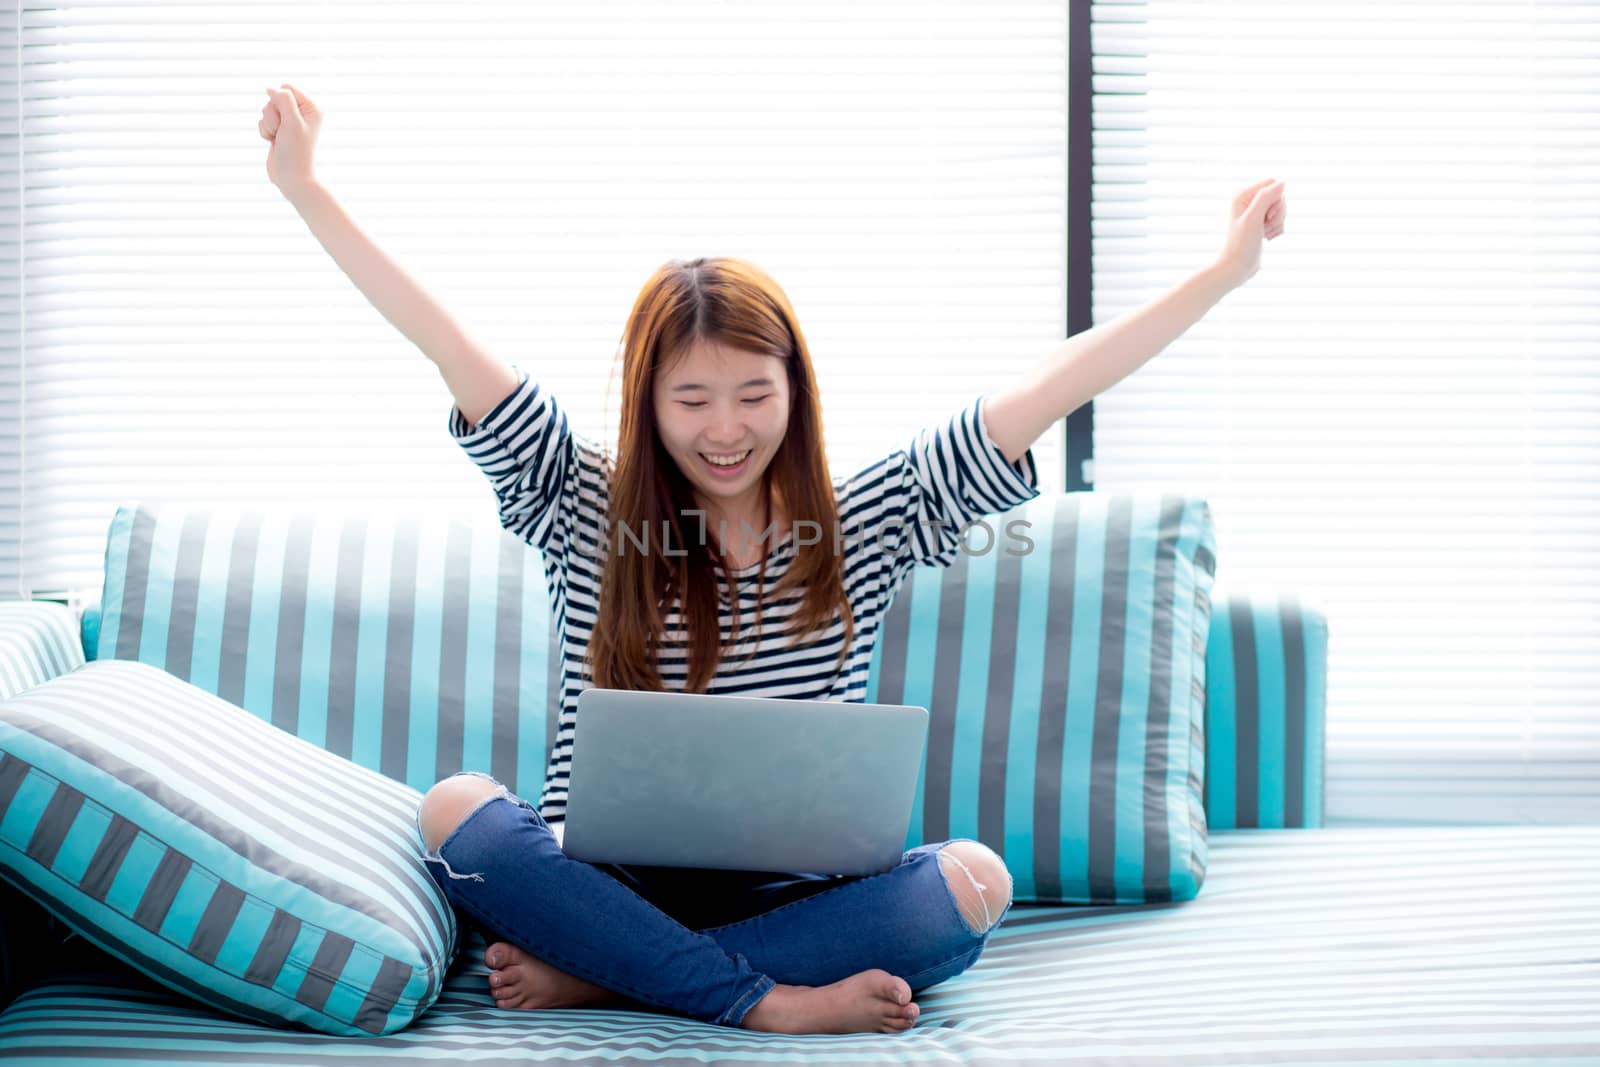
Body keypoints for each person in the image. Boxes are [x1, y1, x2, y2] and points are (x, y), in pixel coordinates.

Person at [259, 82, 1287, 1035]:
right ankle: (760, 1000)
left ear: (795, 390)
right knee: (454, 807)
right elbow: (444, 338)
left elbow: (1048, 388)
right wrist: (308, 191)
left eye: (754, 393)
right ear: (646, 403)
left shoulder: (865, 513)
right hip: (606, 879)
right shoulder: (578, 498)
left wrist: (1219, 274)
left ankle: (618, 973)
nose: (725, 430)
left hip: (795, 893)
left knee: (976, 876)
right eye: (691, 399)